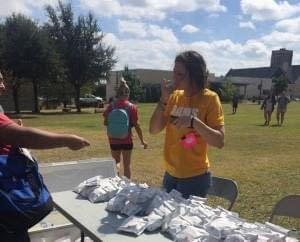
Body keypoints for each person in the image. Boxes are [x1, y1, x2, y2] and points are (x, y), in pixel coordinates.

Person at [0, 71, 90, 241]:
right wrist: (67, 140)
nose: (3, 86)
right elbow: (23, 137)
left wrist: (12, 131)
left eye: (3, 81)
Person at [149, 50, 225, 199]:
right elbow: (153, 129)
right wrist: (163, 100)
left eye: (180, 75)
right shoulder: (174, 97)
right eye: (174, 73)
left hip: (195, 178)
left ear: (195, 75)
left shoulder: (210, 99)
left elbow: (219, 141)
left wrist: (194, 122)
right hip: (170, 174)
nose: (174, 79)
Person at [103, 78, 147, 179]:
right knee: (127, 165)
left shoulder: (111, 106)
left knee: (116, 163)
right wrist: (142, 140)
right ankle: (126, 187)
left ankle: (115, 184)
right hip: (127, 139)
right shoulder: (132, 107)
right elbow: (137, 125)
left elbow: (106, 122)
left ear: (118, 93)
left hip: (113, 139)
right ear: (128, 93)